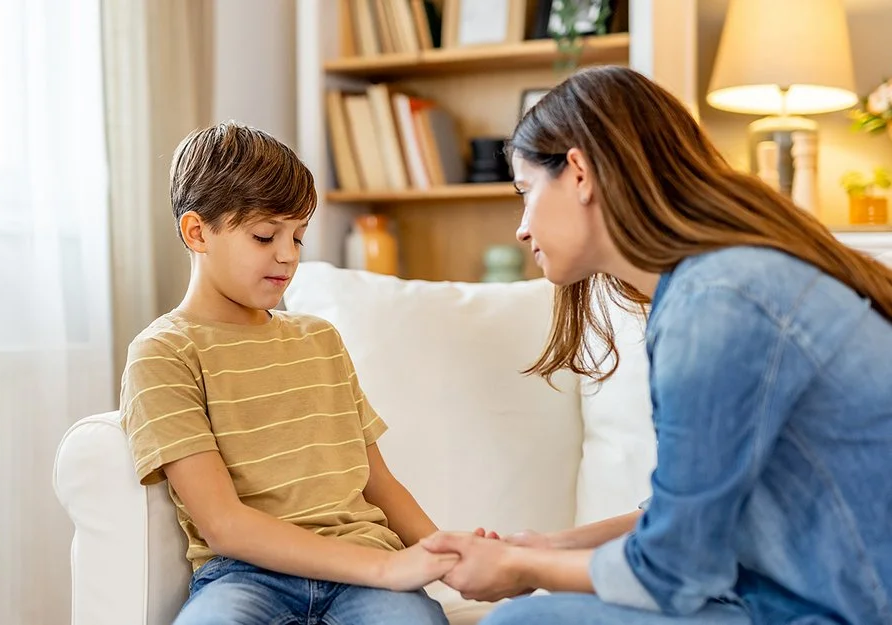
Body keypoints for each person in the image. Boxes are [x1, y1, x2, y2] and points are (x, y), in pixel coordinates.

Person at [420, 65, 892, 625]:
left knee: (523, 623)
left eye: (526, 192)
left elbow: (676, 567)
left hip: (844, 609)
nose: (522, 228)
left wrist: (523, 570)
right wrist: (546, 548)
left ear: (579, 173)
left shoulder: (720, 301)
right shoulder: (719, 283)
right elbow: (686, 514)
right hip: (789, 589)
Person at [119, 122, 455, 625]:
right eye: (264, 236)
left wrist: (447, 556)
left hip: (361, 569)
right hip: (244, 574)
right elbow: (224, 524)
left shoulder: (319, 339)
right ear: (197, 232)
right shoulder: (165, 352)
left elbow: (379, 483)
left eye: (298, 235)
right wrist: (387, 567)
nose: (289, 255)